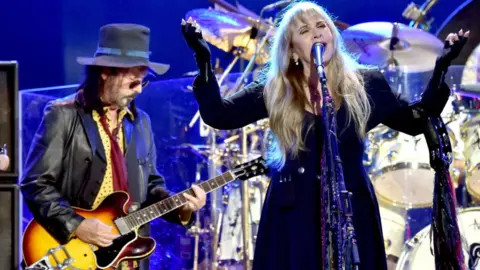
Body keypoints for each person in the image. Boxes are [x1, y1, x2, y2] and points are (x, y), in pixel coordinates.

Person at [181, 1, 469, 269]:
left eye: (322, 26)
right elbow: (219, 115)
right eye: (305, 31)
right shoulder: (276, 91)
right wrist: (204, 61)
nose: (317, 33)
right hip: (293, 212)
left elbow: (416, 121)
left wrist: (441, 68)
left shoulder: (367, 84)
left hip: (351, 208)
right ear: (293, 50)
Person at [21, 23, 207, 270]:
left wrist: (181, 208)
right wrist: (77, 225)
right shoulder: (63, 115)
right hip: (74, 253)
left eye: (143, 82)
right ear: (106, 72)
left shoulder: (141, 123)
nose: (139, 89)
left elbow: (152, 186)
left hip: (127, 258)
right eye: (133, 82)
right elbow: (36, 183)